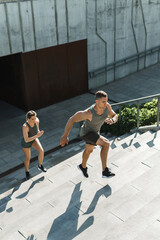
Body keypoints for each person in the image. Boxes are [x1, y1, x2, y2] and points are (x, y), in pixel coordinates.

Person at [60, 90, 118, 178]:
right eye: (103, 102)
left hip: (95, 132)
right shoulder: (88, 113)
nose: (105, 103)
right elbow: (71, 119)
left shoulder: (107, 107)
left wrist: (112, 120)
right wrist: (65, 135)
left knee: (89, 150)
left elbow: (114, 115)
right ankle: (105, 171)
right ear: (97, 101)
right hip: (86, 133)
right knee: (106, 144)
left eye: (106, 101)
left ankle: (82, 166)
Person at [21, 110, 47, 180]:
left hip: (34, 139)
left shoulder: (37, 121)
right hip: (26, 143)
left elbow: (37, 129)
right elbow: (26, 139)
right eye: (32, 119)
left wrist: (39, 132)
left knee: (41, 151)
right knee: (28, 158)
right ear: (28, 118)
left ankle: (40, 165)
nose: (34, 120)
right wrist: (37, 136)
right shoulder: (25, 126)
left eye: (35, 118)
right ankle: (27, 172)